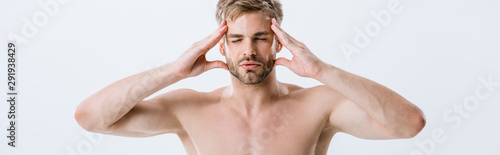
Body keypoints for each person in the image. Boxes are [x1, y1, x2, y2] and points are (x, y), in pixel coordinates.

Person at [74, 0, 426, 154]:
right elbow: (90, 118)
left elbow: (409, 124)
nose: (249, 51)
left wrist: (323, 72)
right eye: (236, 39)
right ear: (221, 46)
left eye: (260, 38)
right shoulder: (189, 109)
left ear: (277, 43)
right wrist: (172, 71)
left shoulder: (318, 104)